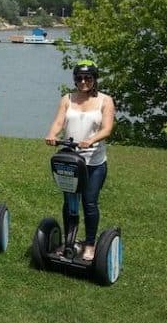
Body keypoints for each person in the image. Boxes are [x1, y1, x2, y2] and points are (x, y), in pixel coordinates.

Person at [44, 59, 115, 261]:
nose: (84, 81)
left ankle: (90, 244)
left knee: (89, 202)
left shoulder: (105, 100)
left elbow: (107, 128)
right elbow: (59, 122)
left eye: (88, 78)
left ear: (94, 79)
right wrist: (52, 134)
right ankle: (69, 242)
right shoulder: (67, 99)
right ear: (75, 80)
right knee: (70, 202)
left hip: (94, 163)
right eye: (80, 78)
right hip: (71, 160)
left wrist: (91, 140)